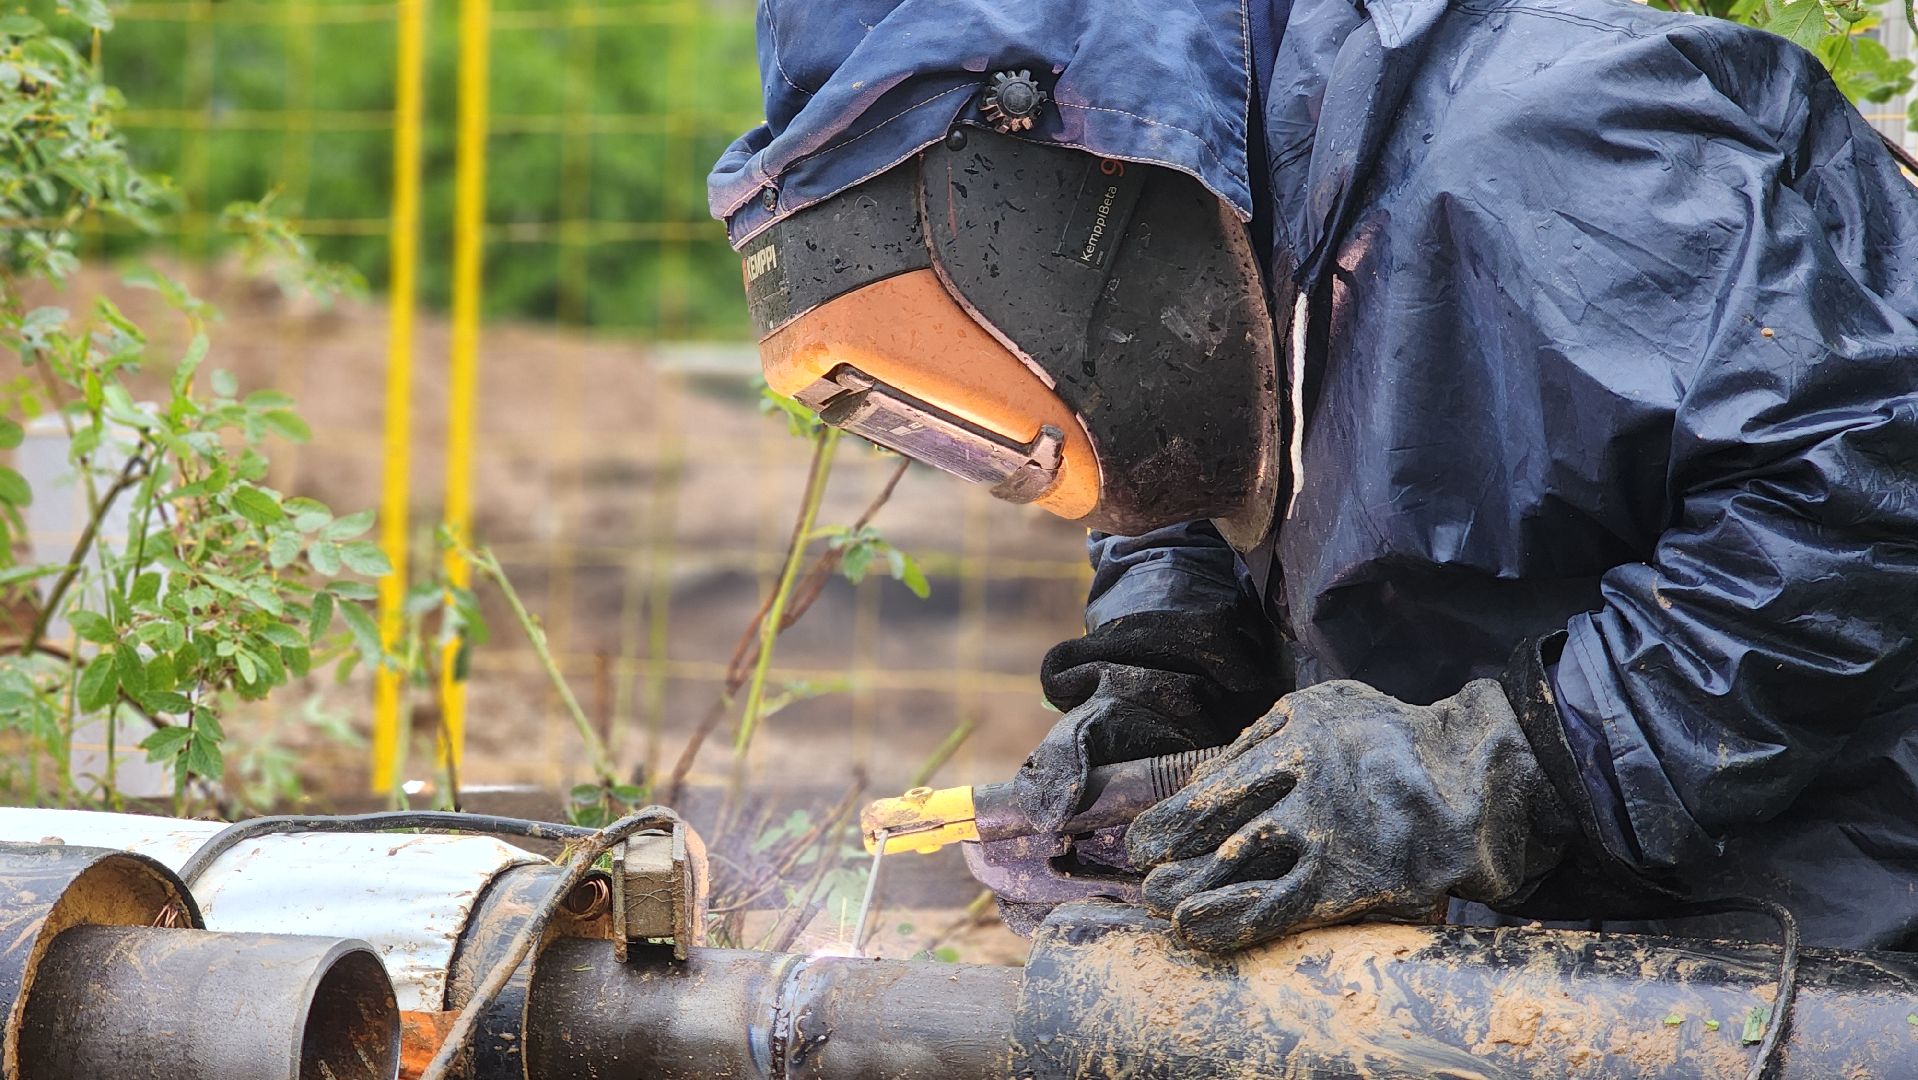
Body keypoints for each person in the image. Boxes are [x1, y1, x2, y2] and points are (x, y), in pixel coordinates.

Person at [709, 0, 1918, 952]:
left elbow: (1854, 479)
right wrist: (1168, 669)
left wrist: (1512, 763)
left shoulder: (1536, 142)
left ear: (1056, 175)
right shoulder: (1220, 216)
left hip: (1838, 901)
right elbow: (1163, 428)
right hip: (1562, 916)